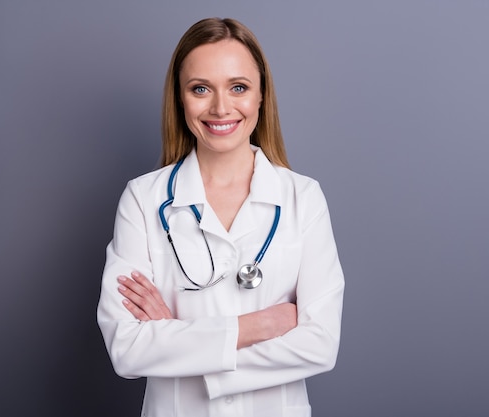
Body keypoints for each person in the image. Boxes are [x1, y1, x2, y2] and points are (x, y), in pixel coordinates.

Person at [96, 17, 344, 417]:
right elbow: (127, 350)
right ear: (180, 98)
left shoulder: (303, 198)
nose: (221, 108)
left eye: (239, 87)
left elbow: (319, 345)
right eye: (200, 89)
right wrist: (258, 326)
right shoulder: (143, 199)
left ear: (262, 96)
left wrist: (177, 338)